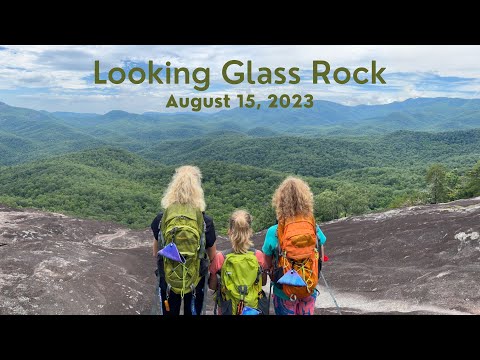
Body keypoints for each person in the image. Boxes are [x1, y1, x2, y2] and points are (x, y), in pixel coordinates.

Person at [151, 165, 217, 315]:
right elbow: (213, 257)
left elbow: (156, 252)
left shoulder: (161, 219)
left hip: (168, 278)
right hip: (195, 279)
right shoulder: (205, 221)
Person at [262, 176, 327, 315]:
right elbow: (320, 253)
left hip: (284, 291)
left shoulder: (274, 231)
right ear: (306, 199)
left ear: (280, 202)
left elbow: (266, 264)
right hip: (308, 286)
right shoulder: (313, 227)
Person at [208, 210, 267, 315]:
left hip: (228, 308)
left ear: (229, 231)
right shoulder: (258, 256)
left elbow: (212, 286)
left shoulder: (221, 258)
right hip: (252, 308)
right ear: (250, 231)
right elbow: (263, 282)